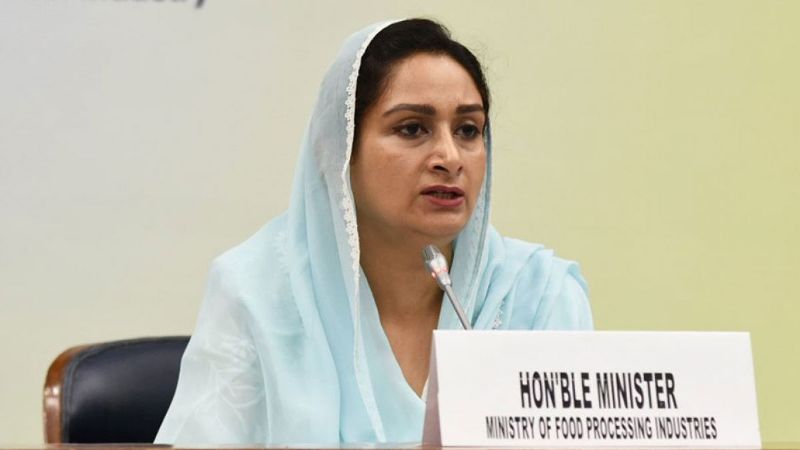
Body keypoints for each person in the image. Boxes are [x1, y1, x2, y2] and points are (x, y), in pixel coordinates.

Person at [155, 18, 592, 445]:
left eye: (468, 130)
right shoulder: (255, 291)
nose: (450, 157)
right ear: (340, 150)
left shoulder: (540, 296)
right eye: (412, 128)